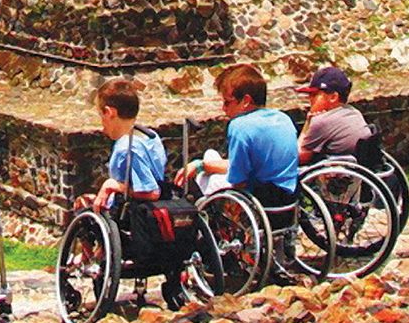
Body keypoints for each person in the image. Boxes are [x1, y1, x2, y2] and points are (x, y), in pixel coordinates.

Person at [178, 64, 299, 208]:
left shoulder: (240, 126)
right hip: (288, 195)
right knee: (210, 155)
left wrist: (201, 168)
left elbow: (238, 180)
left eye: (227, 102)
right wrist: (202, 165)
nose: (223, 108)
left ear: (246, 101)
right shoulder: (283, 118)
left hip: (258, 199)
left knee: (203, 177)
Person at [76, 78, 165, 213]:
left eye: (101, 116)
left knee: (81, 210)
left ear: (110, 113)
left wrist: (111, 187)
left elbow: (151, 192)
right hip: (147, 208)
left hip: (128, 213)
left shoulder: (127, 148)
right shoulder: (150, 136)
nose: (102, 125)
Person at [296, 66, 371, 164]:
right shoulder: (354, 112)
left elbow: (297, 157)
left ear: (333, 97)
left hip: (337, 174)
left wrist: (308, 123)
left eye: (315, 95)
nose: (310, 99)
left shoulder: (322, 122)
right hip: (362, 168)